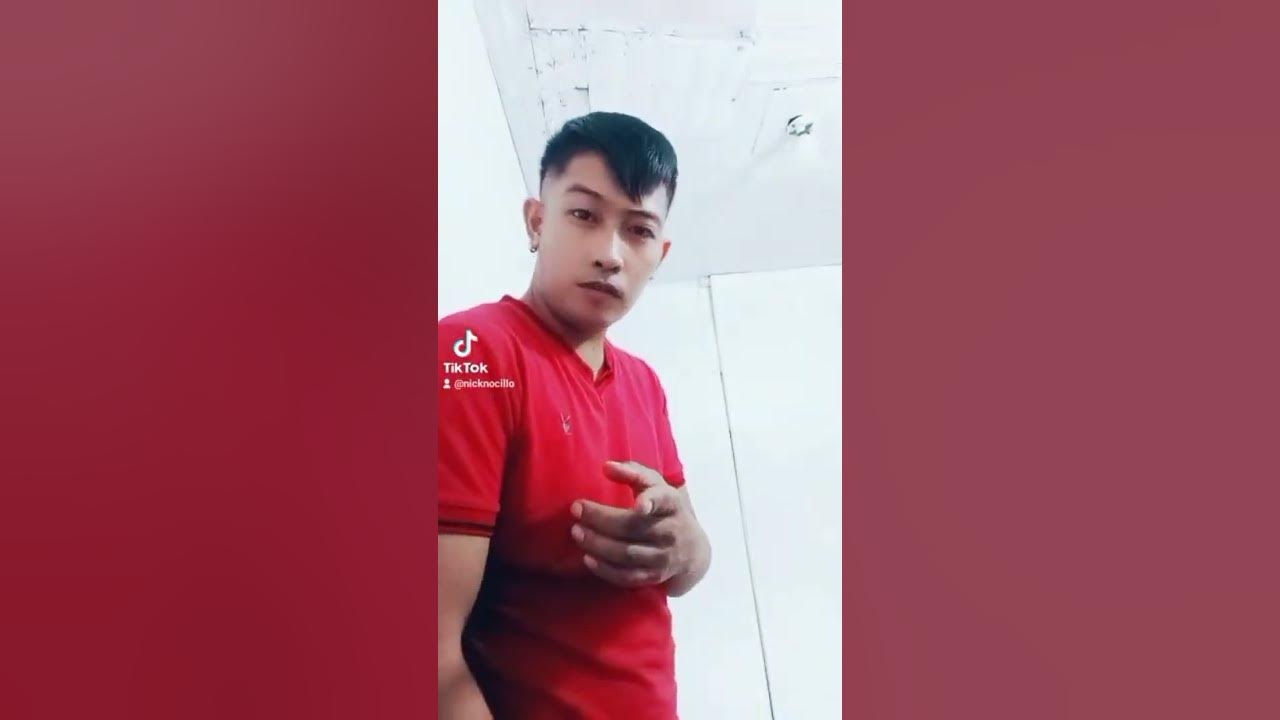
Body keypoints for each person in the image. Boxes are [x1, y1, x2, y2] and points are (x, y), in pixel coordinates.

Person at [437, 112, 712, 719]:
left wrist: (688, 549)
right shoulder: (473, 354)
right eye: (584, 215)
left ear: (660, 254)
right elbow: (430, 652)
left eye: (638, 231)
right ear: (537, 222)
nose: (610, 254)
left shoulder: (643, 382)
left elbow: (685, 563)